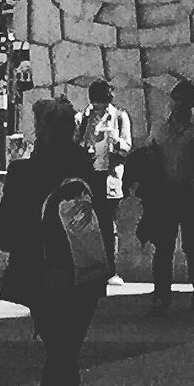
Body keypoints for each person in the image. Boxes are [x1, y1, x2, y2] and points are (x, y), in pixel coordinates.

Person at [0, 97, 107, 386]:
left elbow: (4, 235)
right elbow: (103, 222)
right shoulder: (87, 170)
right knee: (64, 362)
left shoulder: (23, 173)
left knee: (60, 362)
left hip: (42, 281)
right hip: (84, 277)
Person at [145, 78, 194, 313]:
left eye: (184, 101)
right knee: (163, 246)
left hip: (190, 193)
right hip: (165, 194)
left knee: (192, 244)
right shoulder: (159, 127)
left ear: (192, 104)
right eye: (176, 100)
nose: (179, 105)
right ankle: (161, 296)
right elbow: (149, 154)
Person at [75, 77, 131, 264]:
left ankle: (110, 265)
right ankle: (90, 265)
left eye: (103, 106)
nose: (99, 110)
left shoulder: (119, 117)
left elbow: (127, 147)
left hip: (109, 176)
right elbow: (75, 144)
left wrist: (114, 140)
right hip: (88, 176)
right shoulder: (83, 118)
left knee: (108, 224)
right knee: (86, 223)